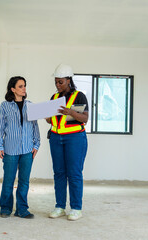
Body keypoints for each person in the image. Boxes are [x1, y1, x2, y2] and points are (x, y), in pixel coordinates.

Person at [46, 64, 88, 221]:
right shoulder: (54, 97)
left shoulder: (79, 96)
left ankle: (76, 208)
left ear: (69, 80)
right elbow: (51, 120)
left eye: (60, 82)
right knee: (59, 173)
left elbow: (84, 119)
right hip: (56, 138)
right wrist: (47, 115)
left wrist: (70, 112)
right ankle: (60, 207)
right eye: (56, 81)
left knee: (74, 173)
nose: (57, 85)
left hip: (75, 138)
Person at [0, 76, 40, 219]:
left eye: (25, 86)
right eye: (20, 86)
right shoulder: (5, 106)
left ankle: (22, 209)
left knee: (24, 181)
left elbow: (35, 126)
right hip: (10, 150)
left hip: (27, 150)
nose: (24, 89)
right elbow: (0, 127)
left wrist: (36, 144)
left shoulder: (30, 105)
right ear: (13, 89)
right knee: (8, 180)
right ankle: (5, 208)